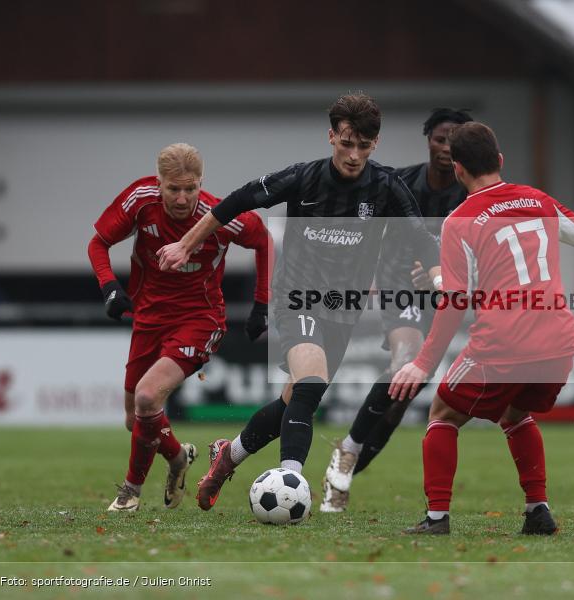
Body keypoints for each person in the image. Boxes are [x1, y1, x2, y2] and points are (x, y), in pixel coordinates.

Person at [156, 93, 441, 511]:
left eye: (363, 146)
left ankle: (228, 455)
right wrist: (185, 244)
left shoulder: (385, 186)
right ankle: (292, 479)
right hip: (297, 299)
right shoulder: (302, 178)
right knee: (309, 386)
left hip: (343, 310)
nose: (354, 154)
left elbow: (421, 236)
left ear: (374, 145)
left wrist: (438, 276)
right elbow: (235, 202)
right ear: (331, 137)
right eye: (346, 143)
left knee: (294, 400)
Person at [389, 122, 574, 535]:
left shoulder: (459, 220)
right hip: (559, 342)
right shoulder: (537, 199)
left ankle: (436, 519)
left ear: (459, 171)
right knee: (514, 412)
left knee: (443, 414)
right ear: (500, 161)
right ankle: (538, 511)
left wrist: (423, 363)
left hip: (505, 344)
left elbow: (455, 300)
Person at [88, 142, 271, 512]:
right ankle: (177, 458)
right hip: (149, 317)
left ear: (201, 183)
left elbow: (263, 240)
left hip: (199, 319)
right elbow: (98, 243)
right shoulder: (141, 201)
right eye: (174, 189)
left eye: (191, 188)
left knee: (146, 397)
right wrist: (109, 288)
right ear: (159, 183)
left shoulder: (219, 214)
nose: (183, 198)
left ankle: (130, 492)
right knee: (134, 418)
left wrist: (262, 303)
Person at [320, 108, 473, 513]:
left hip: (443, 300)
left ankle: (343, 473)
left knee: (404, 396)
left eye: (455, 141)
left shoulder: (471, 195)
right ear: (428, 140)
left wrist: (450, 274)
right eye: (440, 138)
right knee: (407, 362)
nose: (446, 147)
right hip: (398, 289)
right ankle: (349, 450)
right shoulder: (399, 181)